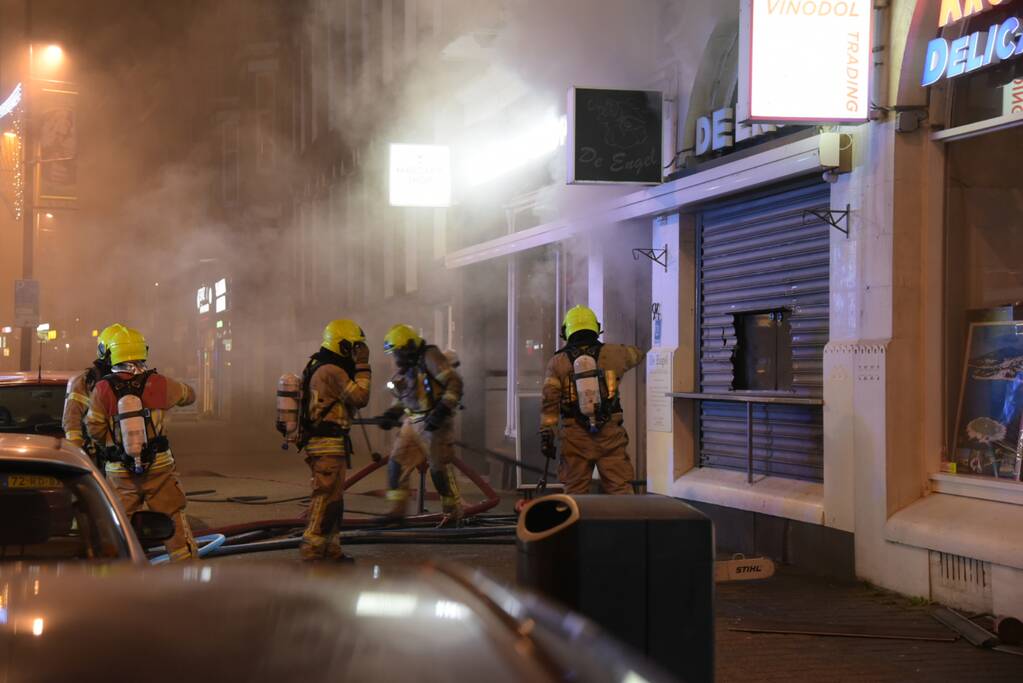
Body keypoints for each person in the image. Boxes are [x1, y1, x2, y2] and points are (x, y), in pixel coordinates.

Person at [85, 326, 198, 562]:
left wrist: (113, 443)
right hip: (159, 468)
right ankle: (188, 575)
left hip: (120, 472)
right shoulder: (160, 383)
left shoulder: (103, 389)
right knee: (173, 520)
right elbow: (190, 396)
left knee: (116, 526)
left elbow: (94, 428)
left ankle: (115, 580)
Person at [540, 305, 646, 495]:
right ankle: (627, 524)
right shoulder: (615, 354)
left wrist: (547, 435)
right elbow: (638, 354)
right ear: (595, 328)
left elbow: (550, 403)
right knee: (620, 489)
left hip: (574, 437)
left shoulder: (557, 362)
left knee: (575, 492)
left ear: (566, 331)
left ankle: (575, 524)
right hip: (610, 434)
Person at [293, 319, 371, 562]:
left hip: (331, 442)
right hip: (326, 441)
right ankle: (312, 546)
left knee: (335, 500)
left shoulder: (320, 365)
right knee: (324, 496)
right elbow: (360, 397)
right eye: (355, 346)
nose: (358, 351)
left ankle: (331, 548)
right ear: (343, 346)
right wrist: (363, 366)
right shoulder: (332, 371)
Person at [376, 324, 464, 526]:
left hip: (434, 424)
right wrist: (392, 413)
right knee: (396, 465)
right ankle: (396, 512)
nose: (395, 358)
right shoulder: (408, 366)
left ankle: (453, 514)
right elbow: (405, 396)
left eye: (396, 352)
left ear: (407, 346)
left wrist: (441, 412)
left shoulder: (430, 357)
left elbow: (455, 384)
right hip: (412, 422)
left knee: (438, 470)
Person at [63, 323, 124, 463]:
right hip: (98, 457)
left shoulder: (87, 381)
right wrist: (79, 456)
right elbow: (72, 421)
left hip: (124, 455)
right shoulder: (87, 381)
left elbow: (71, 420)